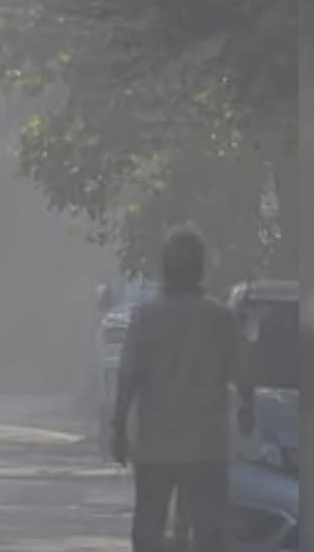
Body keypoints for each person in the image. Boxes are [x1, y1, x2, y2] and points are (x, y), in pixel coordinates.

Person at [111, 227, 255, 552]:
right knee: (209, 534)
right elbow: (244, 377)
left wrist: (119, 427)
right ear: (200, 268)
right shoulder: (220, 317)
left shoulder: (146, 317)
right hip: (206, 447)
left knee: (149, 528)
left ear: (165, 268)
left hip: (156, 447)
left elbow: (129, 376)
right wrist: (248, 409)